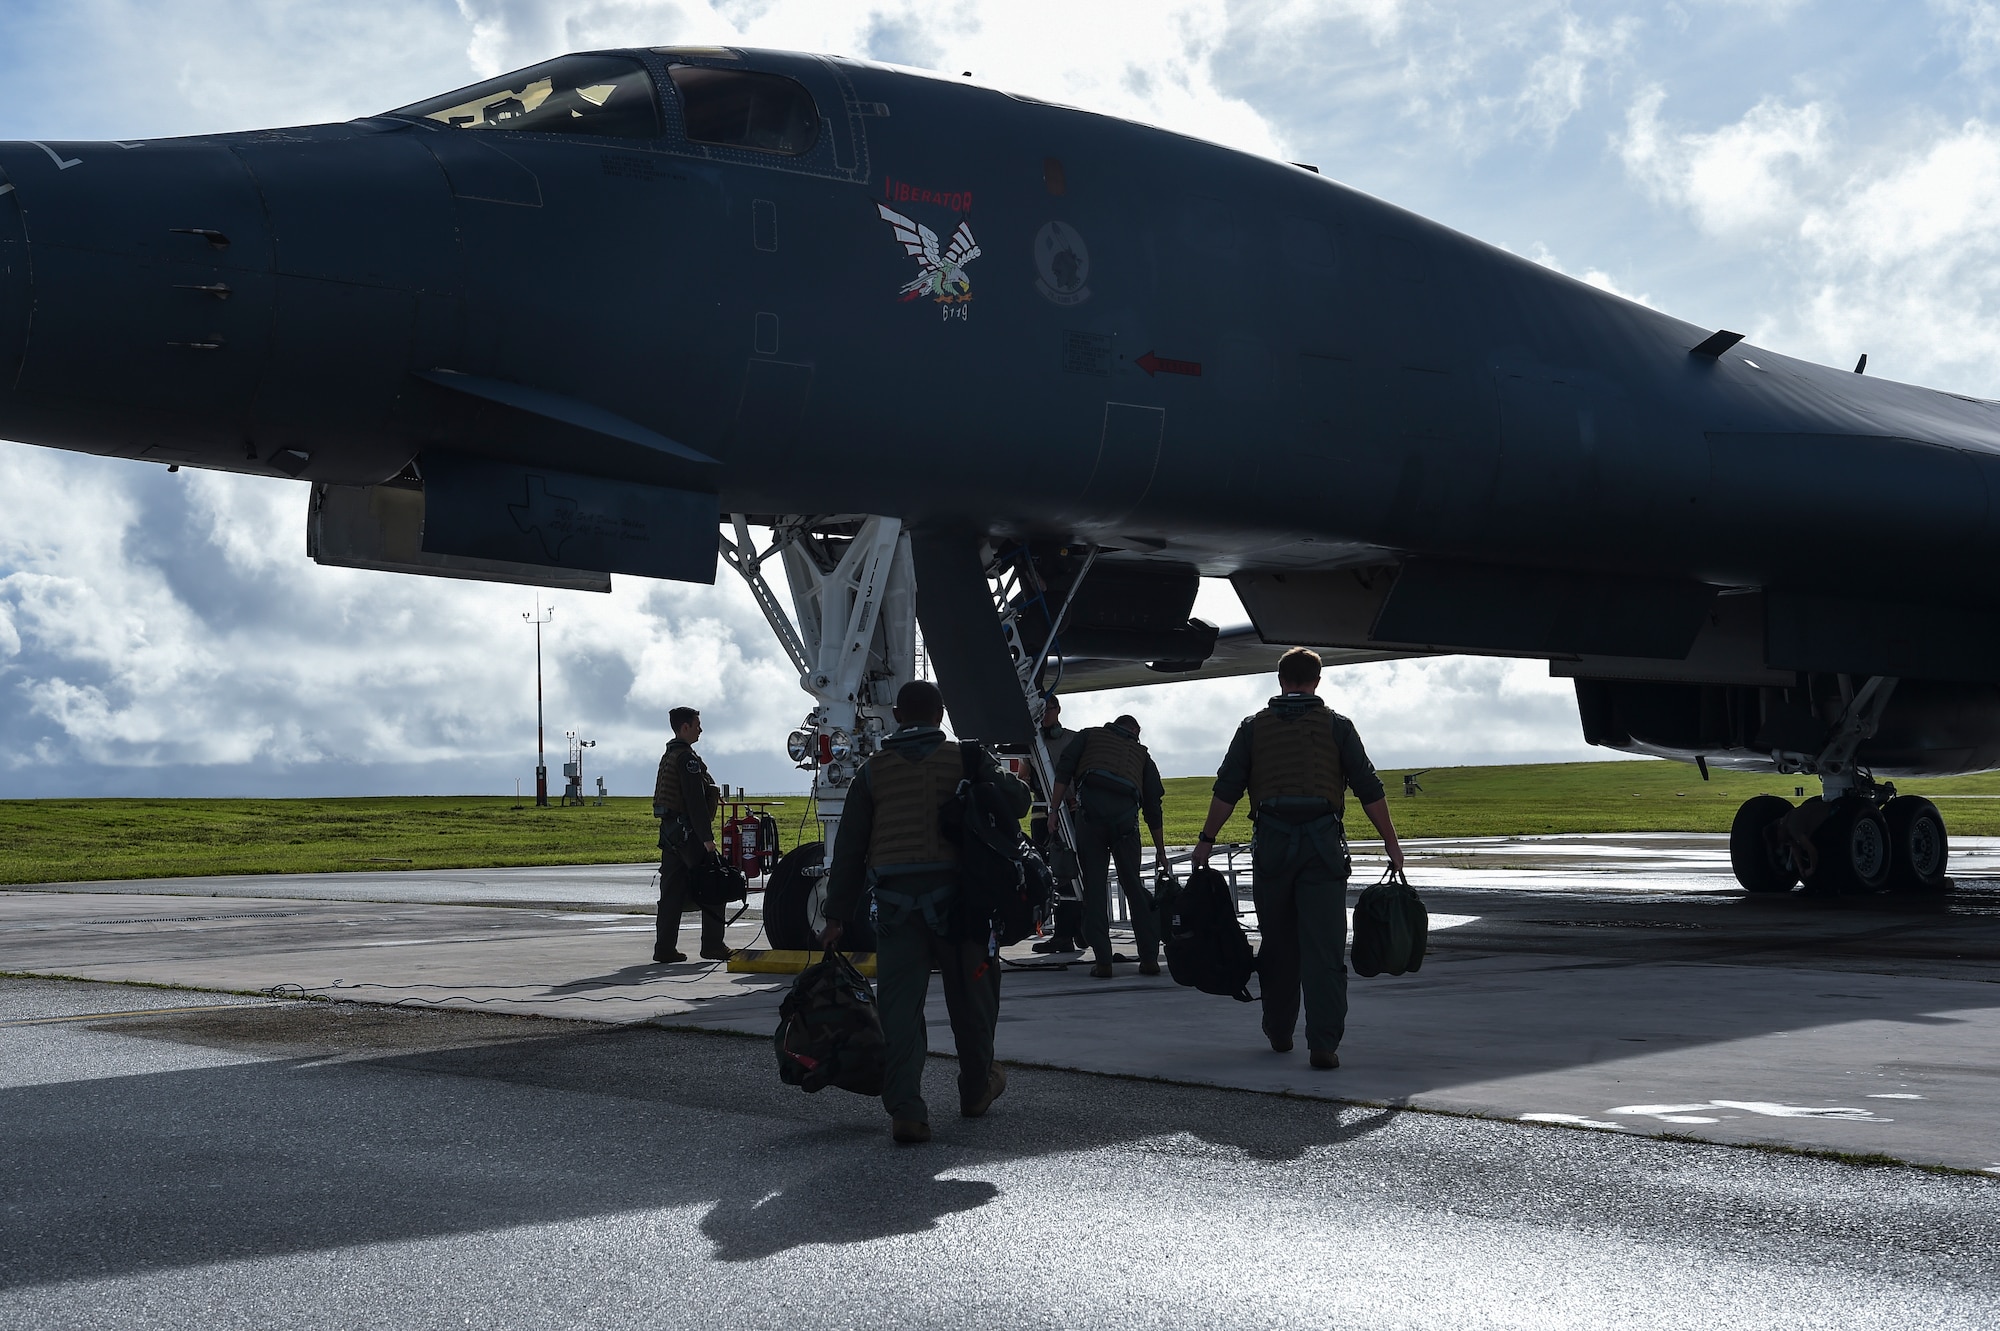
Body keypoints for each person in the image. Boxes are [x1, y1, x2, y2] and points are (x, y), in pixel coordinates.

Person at [819, 680, 1032, 1144]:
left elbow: (850, 851)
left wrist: (835, 917)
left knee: (899, 1010)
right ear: (940, 714)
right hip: (964, 907)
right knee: (973, 1003)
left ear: (897, 715)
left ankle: (907, 1111)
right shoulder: (968, 759)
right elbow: (1019, 803)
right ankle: (975, 1089)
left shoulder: (872, 772)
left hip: (895, 911)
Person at [1191, 648, 1405, 1070]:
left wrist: (1205, 840)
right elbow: (1368, 788)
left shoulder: (1253, 729)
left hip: (1271, 846)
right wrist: (1391, 844)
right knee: (1324, 949)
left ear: (1281, 680)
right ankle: (1323, 1043)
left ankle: (1279, 1030)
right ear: (1317, 681)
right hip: (1323, 847)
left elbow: (1227, 789)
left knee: (1278, 944)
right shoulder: (1338, 727)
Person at [1049, 713, 1166, 979]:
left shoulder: (1088, 735)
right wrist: (1160, 851)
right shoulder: (1142, 756)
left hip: (1090, 820)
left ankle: (1103, 962)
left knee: (1094, 888)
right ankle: (1149, 960)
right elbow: (1153, 807)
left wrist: (1054, 810)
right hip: (1126, 826)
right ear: (1135, 731)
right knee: (1133, 887)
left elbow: (1064, 769)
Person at [653, 706, 729, 964]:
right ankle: (713, 945)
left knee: (671, 893)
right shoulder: (687, 759)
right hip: (689, 834)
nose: (700, 729)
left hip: (671, 834)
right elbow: (695, 801)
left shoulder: (670, 755)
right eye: (697, 724)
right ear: (685, 726)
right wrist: (707, 839)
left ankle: (664, 948)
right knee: (715, 884)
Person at [1027, 693, 1085, 955]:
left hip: (1068, 814)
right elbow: (1024, 777)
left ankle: (1070, 932)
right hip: (1042, 816)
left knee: (1068, 874)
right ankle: (1063, 931)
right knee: (1050, 876)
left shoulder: (1072, 740)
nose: (1044, 716)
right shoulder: (1032, 742)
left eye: (1047, 710)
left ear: (1058, 710)